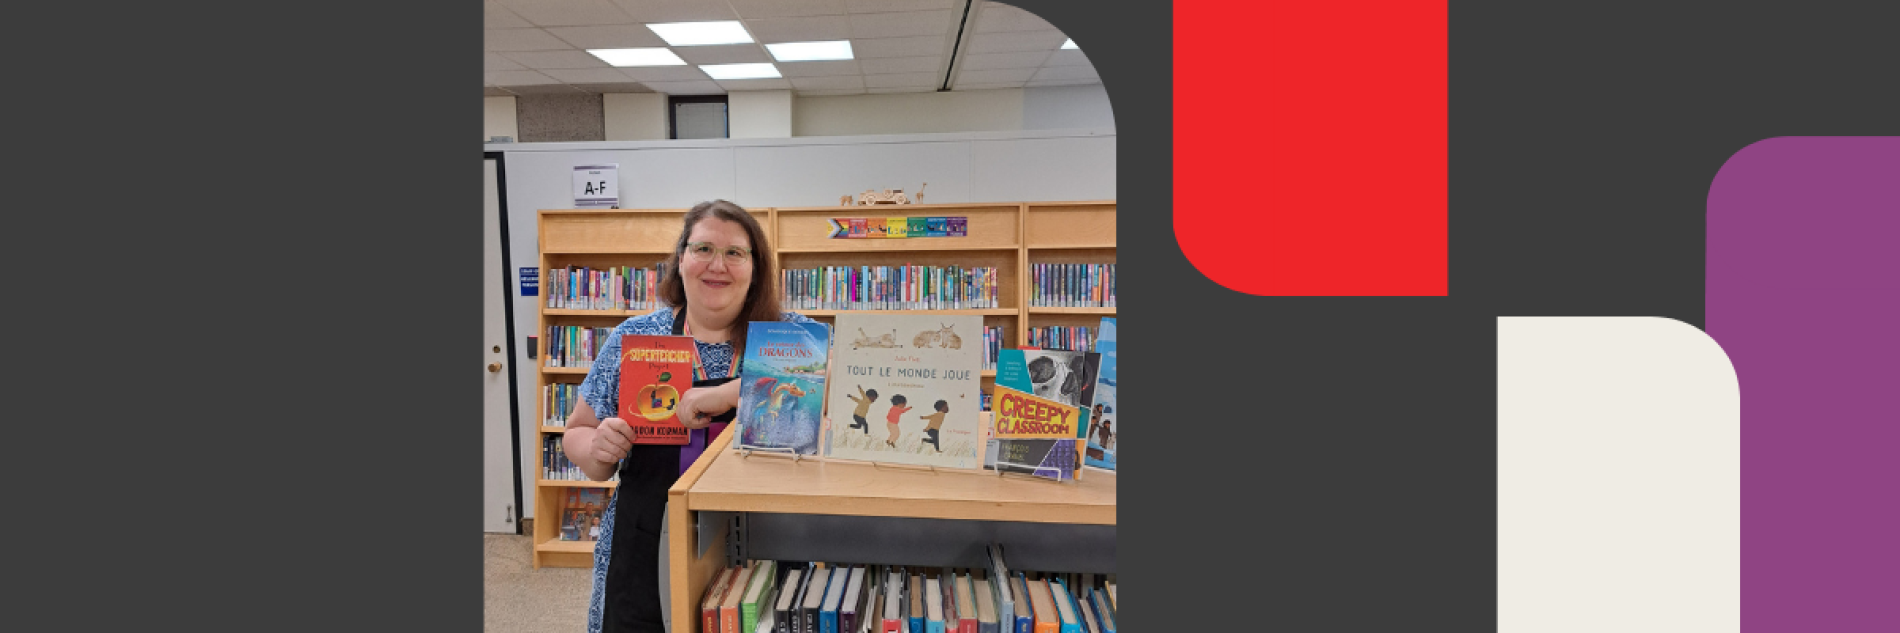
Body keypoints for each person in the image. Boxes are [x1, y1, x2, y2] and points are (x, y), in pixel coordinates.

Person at [559, 200, 815, 633]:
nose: (718, 265)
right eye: (703, 249)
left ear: (756, 267)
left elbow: (825, 398)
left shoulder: (791, 336)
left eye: (735, 252)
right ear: (681, 260)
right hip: (647, 543)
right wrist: (597, 449)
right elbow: (577, 432)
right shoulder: (634, 336)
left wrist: (730, 392)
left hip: (769, 542)